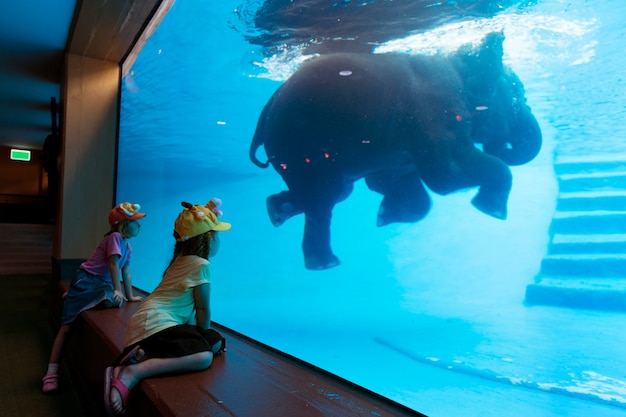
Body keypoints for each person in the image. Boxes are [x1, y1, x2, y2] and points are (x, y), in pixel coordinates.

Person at [104, 198, 230, 417]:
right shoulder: (202, 265)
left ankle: (144, 353)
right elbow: (202, 310)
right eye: (217, 234)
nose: (218, 239)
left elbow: (187, 312)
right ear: (208, 238)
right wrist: (203, 337)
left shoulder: (180, 261)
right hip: (157, 326)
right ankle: (132, 372)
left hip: (147, 325)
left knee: (217, 342)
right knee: (204, 356)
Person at [42, 202, 146, 394]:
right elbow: (113, 265)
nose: (139, 225)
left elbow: (126, 272)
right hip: (87, 281)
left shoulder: (128, 246)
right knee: (66, 328)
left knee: (110, 302)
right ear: (122, 224)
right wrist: (117, 290)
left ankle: (77, 297)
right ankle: (51, 373)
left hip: (102, 285)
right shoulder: (114, 237)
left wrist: (130, 296)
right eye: (134, 222)